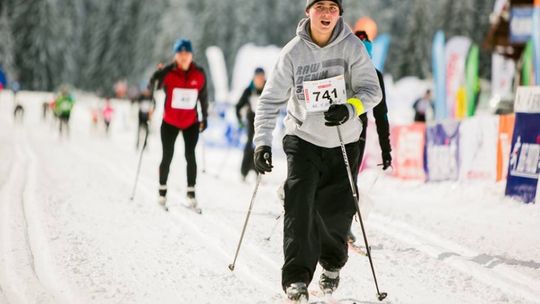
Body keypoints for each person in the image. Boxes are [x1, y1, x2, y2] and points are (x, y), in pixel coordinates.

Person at [253, 0, 382, 301]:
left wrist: (350, 108)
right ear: (308, 11)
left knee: (336, 212)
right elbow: (269, 101)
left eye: (332, 8)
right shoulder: (293, 53)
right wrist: (262, 142)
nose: (326, 13)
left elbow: (372, 91)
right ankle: (296, 279)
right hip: (303, 139)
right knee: (300, 205)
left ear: (339, 13)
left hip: (343, 141)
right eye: (319, 6)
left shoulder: (352, 47)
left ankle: (333, 264)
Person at [149, 38, 208, 210]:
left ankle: (191, 193)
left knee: (190, 156)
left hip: (191, 122)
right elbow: (152, 86)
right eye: (180, 54)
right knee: (167, 156)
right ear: (175, 56)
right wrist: (156, 75)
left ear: (191, 55)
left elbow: (203, 98)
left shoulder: (199, 73)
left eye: (186, 54)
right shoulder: (168, 72)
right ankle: (162, 191)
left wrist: (204, 118)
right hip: (170, 122)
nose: (183, 57)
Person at [346, 31, 392, 243]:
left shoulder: (375, 76)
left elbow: (381, 115)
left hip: (358, 133)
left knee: (350, 178)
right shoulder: (342, 71)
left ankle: (343, 225)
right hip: (333, 131)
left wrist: (386, 150)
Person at [235, 67, 266, 181]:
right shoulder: (248, 90)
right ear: (254, 78)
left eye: (262, 77)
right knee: (249, 145)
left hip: (263, 122)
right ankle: (244, 172)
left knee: (261, 146)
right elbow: (238, 106)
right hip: (251, 121)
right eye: (258, 78)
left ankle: (258, 171)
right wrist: (239, 120)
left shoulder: (268, 88)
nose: (260, 80)